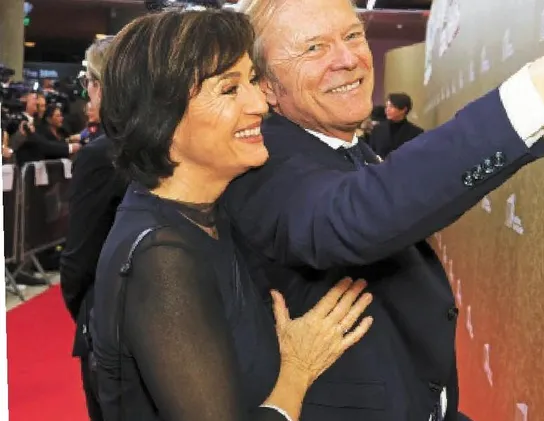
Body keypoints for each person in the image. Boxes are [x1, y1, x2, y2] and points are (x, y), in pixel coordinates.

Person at [226, 0, 544, 420]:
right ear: (266, 85)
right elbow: (355, 215)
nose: (347, 59)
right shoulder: (261, 162)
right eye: (313, 48)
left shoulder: (346, 146)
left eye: (352, 35)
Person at [92, 10, 373, 421]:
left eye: (252, 80)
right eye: (229, 89)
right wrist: (298, 369)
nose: (259, 103)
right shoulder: (161, 258)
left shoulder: (207, 215)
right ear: (161, 119)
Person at [59, 35, 124, 421]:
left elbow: (78, 260)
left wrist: (85, 309)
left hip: (109, 326)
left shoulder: (101, 156)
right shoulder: (164, 143)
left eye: (89, 81)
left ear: (103, 85)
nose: (87, 92)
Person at [368, 92, 423, 158]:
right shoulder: (377, 129)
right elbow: (371, 154)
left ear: (404, 109)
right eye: (386, 106)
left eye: (391, 106)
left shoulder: (416, 133)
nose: (387, 110)